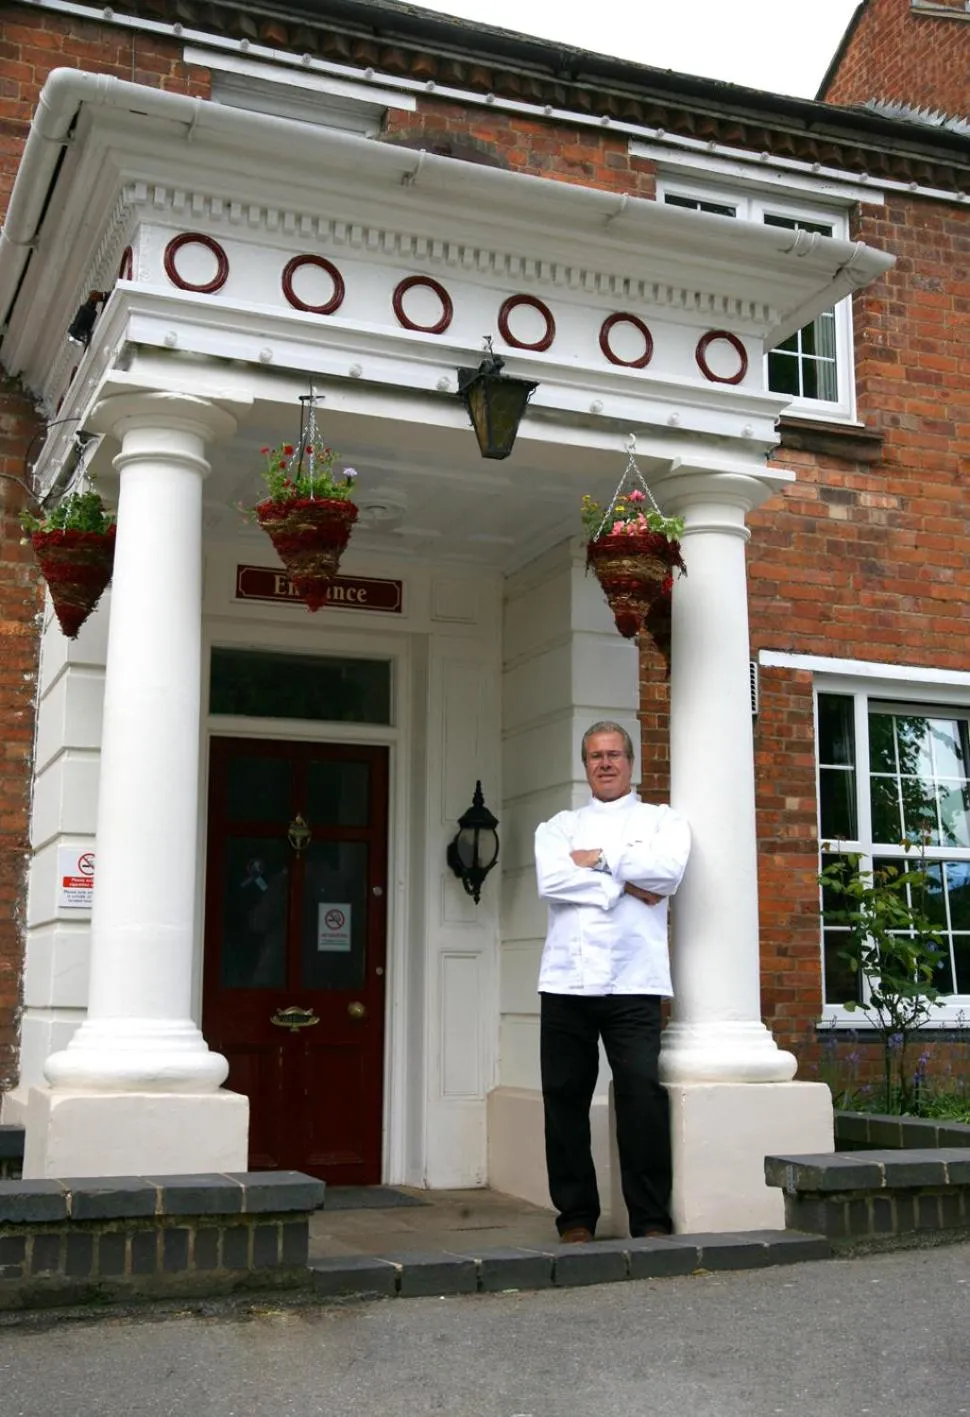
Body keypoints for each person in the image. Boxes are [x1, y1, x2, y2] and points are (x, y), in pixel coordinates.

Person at [534, 720, 691, 1243]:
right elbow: (551, 881)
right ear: (585, 767)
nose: (605, 763)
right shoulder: (557, 827)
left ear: (631, 761)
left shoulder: (662, 821)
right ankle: (576, 1218)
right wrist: (627, 883)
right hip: (566, 983)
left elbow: (666, 875)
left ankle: (649, 1219)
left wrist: (601, 863)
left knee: (642, 1098)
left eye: (615, 754)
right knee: (563, 1101)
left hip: (634, 982)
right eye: (595, 756)